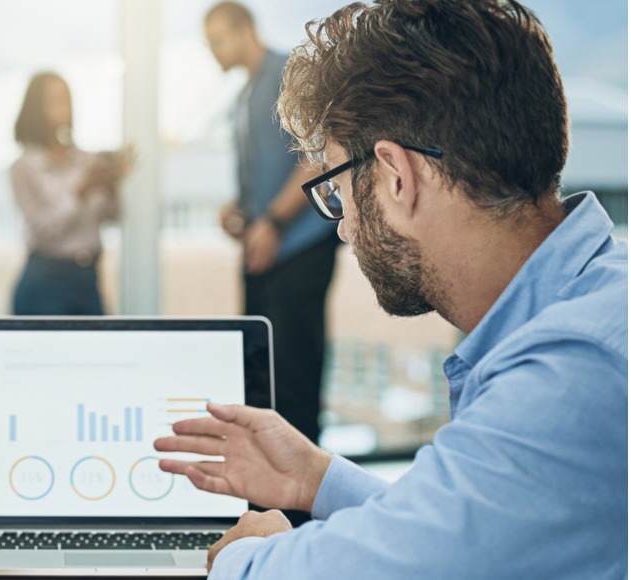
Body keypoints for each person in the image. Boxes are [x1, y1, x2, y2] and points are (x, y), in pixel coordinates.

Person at [155, 1, 627, 578]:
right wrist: (316, 479)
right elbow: (474, 532)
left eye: (335, 188)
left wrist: (244, 559)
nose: (344, 225)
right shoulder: (592, 305)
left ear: (397, 176)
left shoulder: (571, 368)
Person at [205, 1, 339, 444]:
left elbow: (317, 155)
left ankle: (302, 508)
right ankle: (266, 497)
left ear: (245, 30)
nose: (214, 52)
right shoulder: (243, 96)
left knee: (294, 379)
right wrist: (239, 210)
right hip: (264, 254)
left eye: (218, 40)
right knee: (260, 380)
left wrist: (275, 223)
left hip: (298, 249)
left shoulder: (289, 73)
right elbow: (265, 175)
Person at [9, 71, 133, 316]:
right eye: (54, 102)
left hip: (87, 278)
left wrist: (111, 185)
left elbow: (113, 216)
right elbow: (44, 230)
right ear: (36, 109)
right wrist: (81, 191)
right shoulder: (24, 167)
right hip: (46, 280)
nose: (63, 110)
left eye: (66, 101)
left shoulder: (85, 161)